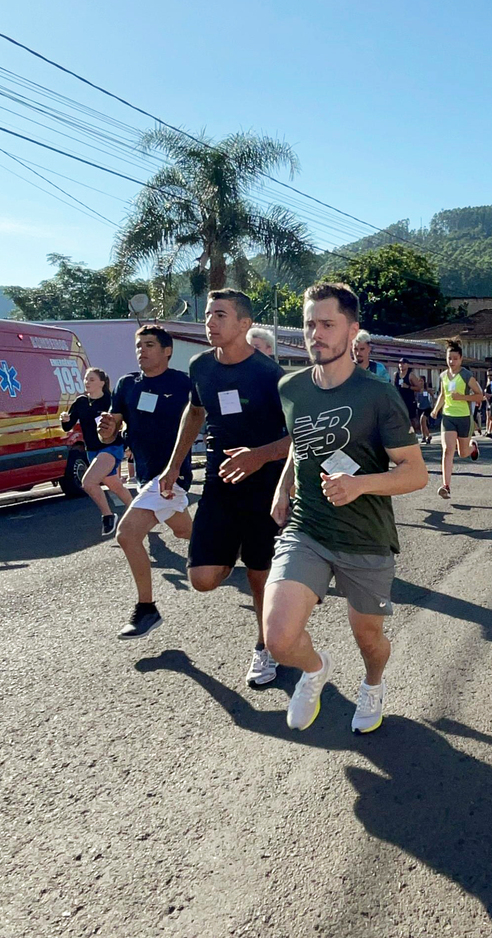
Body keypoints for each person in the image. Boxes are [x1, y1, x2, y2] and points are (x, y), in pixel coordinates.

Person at [264, 282, 428, 733]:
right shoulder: (291, 387)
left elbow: (415, 472)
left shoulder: (377, 394)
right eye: (309, 324)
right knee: (278, 638)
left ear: (352, 331)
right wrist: (284, 487)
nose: (316, 334)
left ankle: (373, 684)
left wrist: (359, 486)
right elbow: (303, 446)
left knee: (368, 637)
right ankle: (315, 670)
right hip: (308, 529)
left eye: (327, 325)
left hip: (366, 538)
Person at [159, 289, 292, 687]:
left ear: (244, 324)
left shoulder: (271, 376)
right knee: (202, 578)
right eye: (208, 315)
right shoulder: (201, 366)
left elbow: (299, 436)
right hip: (219, 482)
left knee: (259, 577)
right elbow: (195, 411)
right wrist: (174, 463)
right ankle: (233, 549)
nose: (210, 322)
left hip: (263, 487)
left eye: (220, 315)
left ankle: (265, 648)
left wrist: (257, 456)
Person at [98, 325, 194, 639]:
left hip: (172, 474)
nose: (142, 351)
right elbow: (111, 432)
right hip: (145, 476)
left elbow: (204, 417)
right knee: (183, 530)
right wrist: (107, 427)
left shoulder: (183, 383)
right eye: (139, 346)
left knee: (127, 535)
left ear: (167, 351)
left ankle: (146, 608)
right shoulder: (127, 385)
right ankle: (229, 543)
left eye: (150, 345)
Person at [60, 366, 133, 536]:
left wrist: (130, 445)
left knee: (88, 483)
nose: (87, 382)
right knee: (114, 485)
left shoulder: (110, 400)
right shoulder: (81, 402)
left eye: (91, 379)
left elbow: (125, 421)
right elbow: (67, 427)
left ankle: (108, 516)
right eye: (86, 379)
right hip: (92, 451)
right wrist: (64, 419)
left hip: (111, 448)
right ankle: (138, 511)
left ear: (102, 382)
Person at [430, 340, 483, 500]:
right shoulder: (443, 375)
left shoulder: (466, 375)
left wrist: (462, 397)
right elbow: (443, 395)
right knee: (447, 450)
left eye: (454, 358)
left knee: (463, 453)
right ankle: (446, 486)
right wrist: (436, 409)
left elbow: (480, 395)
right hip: (448, 417)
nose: (451, 362)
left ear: (460, 359)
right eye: (449, 358)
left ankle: (472, 447)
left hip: (464, 417)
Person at [394, 359, 424, 432]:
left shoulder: (411, 375)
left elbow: (419, 388)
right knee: (399, 417)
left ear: (407, 365)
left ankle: (414, 432)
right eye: (400, 363)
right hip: (400, 400)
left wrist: (408, 387)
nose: (401, 365)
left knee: (412, 418)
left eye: (403, 363)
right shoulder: (396, 374)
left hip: (410, 400)